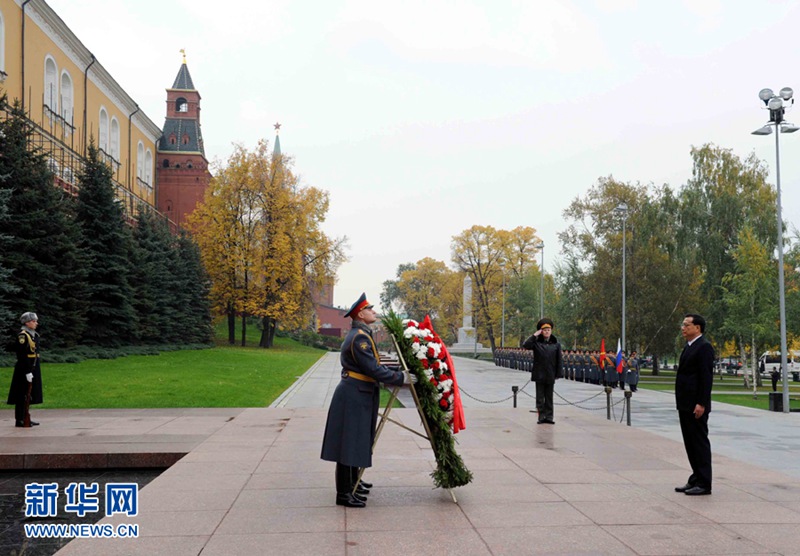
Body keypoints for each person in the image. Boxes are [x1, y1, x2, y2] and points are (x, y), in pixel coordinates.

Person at [320, 293, 416, 508]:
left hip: (359, 392)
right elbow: (372, 369)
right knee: (348, 444)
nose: (374, 312)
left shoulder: (361, 334)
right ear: (361, 314)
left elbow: (375, 364)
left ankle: (353, 483)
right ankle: (344, 493)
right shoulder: (359, 338)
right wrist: (401, 378)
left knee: (356, 440)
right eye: (370, 309)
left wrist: (397, 370)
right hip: (354, 394)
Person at [674, 313, 714, 496]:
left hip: (696, 405)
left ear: (697, 328)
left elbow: (706, 378)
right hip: (685, 403)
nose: (683, 328)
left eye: (686, 325)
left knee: (699, 443)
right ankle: (696, 478)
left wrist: (701, 403)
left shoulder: (704, 347)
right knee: (690, 443)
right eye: (683, 325)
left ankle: (705, 483)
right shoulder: (689, 346)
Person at [522, 318, 563, 424]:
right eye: (544, 330)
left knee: (549, 397)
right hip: (539, 374)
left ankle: (549, 417)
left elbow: (559, 360)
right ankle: (541, 417)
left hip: (550, 374)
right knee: (540, 398)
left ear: (551, 331)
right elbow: (526, 345)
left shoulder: (556, 344)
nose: (547, 331)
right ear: (541, 331)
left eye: (548, 330)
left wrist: (559, 373)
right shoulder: (536, 343)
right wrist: (535, 335)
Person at [7, 312, 43, 427]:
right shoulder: (23, 335)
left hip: (33, 366)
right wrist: (27, 371)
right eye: (34, 321)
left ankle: (26, 416)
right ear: (27, 323)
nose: (36, 323)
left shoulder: (33, 334)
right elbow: (22, 355)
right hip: (24, 367)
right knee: (22, 393)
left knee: (29, 393)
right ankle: (20, 419)